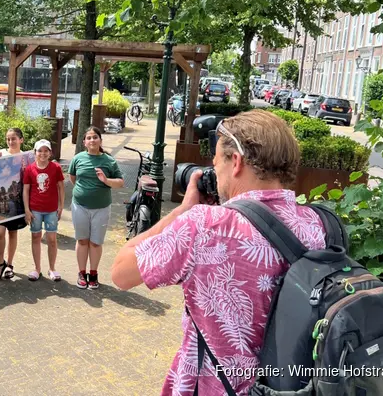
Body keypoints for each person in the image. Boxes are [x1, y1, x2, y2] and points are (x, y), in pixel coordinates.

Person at [111, 110, 327, 395]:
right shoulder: (317, 224)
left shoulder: (204, 225)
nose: (216, 174)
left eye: (216, 164)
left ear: (235, 162)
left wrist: (181, 211)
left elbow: (121, 272)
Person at [68, 126, 124, 290]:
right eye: (89, 138)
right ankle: (81, 273)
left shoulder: (109, 161)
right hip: (80, 206)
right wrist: (83, 191)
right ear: (84, 142)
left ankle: (93, 273)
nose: (92, 140)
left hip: (101, 208)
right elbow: (73, 178)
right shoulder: (78, 158)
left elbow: (120, 182)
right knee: (82, 240)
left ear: (100, 140)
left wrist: (106, 181)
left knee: (95, 243)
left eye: (95, 137)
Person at [0, 128, 34, 280]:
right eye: (8, 139)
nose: (10, 142)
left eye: (14, 138)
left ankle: (9, 264)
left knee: (13, 232)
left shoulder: (28, 157)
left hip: (19, 200)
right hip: (1, 201)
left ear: (21, 140)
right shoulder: (1, 153)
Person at [23, 139, 65, 282]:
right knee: (35, 237)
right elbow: (26, 190)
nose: (42, 153)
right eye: (40, 150)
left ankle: (52, 268)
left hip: (51, 209)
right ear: (35, 153)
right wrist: (27, 209)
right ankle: (37, 268)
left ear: (50, 152)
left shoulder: (56, 168)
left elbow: (61, 187)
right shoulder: (30, 169)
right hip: (35, 209)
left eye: (46, 150)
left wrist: (61, 206)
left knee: (52, 239)